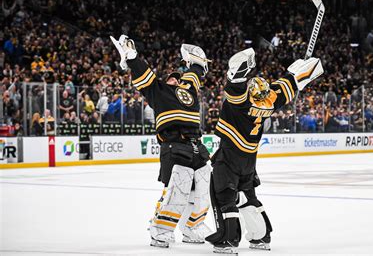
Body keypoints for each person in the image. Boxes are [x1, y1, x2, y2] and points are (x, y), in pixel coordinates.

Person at [206, 48, 324, 254]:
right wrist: (296, 74)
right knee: (248, 196)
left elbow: (235, 84)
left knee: (224, 196)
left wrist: (242, 67)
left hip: (229, 155)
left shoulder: (240, 103)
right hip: (249, 160)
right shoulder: (269, 102)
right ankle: (261, 237)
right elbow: (287, 87)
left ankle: (228, 240)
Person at [110, 34, 212, 248]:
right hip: (174, 146)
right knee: (175, 191)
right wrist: (132, 57)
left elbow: (194, 74)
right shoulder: (159, 92)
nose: (176, 79)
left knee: (201, 192)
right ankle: (161, 231)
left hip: (196, 147)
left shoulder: (189, 92)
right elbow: (144, 76)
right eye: (172, 78)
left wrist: (197, 65)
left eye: (178, 76)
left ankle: (193, 228)